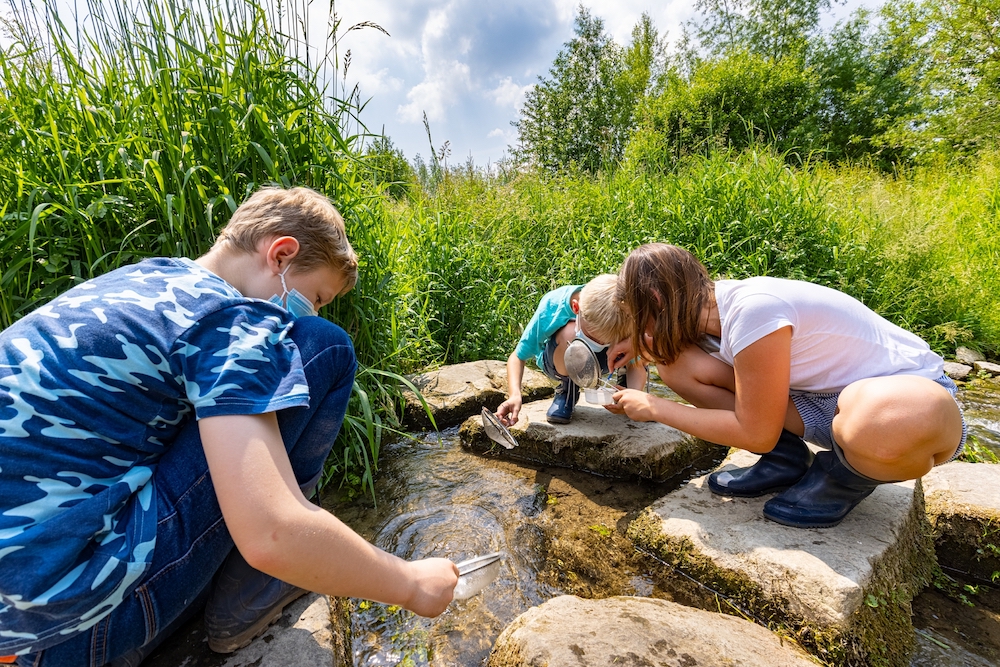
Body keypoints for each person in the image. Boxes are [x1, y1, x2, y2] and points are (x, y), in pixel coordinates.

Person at [0, 187, 458, 667]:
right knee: (323, 346)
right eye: (316, 296)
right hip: (52, 632)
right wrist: (410, 584)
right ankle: (249, 598)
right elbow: (272, 534)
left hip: (20, 602)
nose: (313, 310)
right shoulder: (229, 321)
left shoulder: (140, 279)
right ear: (281, 255)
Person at [611, 243, 966, 529]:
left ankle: (841, 479)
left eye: (635, 317)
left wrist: (657, 408)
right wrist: (639, 347)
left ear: (656, 301)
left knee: (872, 417)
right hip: (823, 403)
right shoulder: (712, 312)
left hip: (911, 406)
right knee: (676, 365)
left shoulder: (754, 312)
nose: (639, 329)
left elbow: (756, 432)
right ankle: (785, 461)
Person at [496, 274, 646, 426]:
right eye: (594, 337)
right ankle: (567, 390)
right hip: (559, 359)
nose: (600, 343)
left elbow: (637, 365)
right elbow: (518, 356)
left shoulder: (626, 314)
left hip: (608, 362)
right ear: (576, 308)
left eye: (608, 341)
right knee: (569, 333)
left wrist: (636, 398)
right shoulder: (553, 306)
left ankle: (625, 385)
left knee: (640, 343)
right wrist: (515, 395)